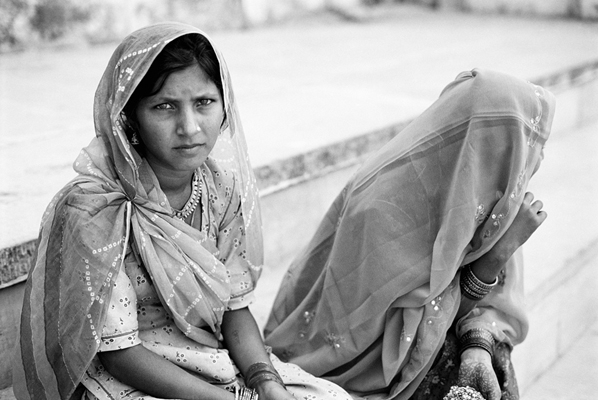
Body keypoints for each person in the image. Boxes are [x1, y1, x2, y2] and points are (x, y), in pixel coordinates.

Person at [12, 22, 353, 400]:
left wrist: (266, 383)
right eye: (164, 107)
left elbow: (234, 310)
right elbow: (119, 354)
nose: (189, 127)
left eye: (204, 103)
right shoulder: (97, 208)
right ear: (129, 118)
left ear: (225, 107)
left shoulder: (221, 187)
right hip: (125, 376)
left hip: (207, 359)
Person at [264, 69, 556, 400]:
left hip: (418, 339)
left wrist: (479, 346)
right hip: (353, 360)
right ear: (490, 146)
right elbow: (399, 341)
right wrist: (499, 254)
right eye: (521, 147)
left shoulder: (489, 193)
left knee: (487, 356)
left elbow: (490, 307)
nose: (533, 163)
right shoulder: (381, 209)